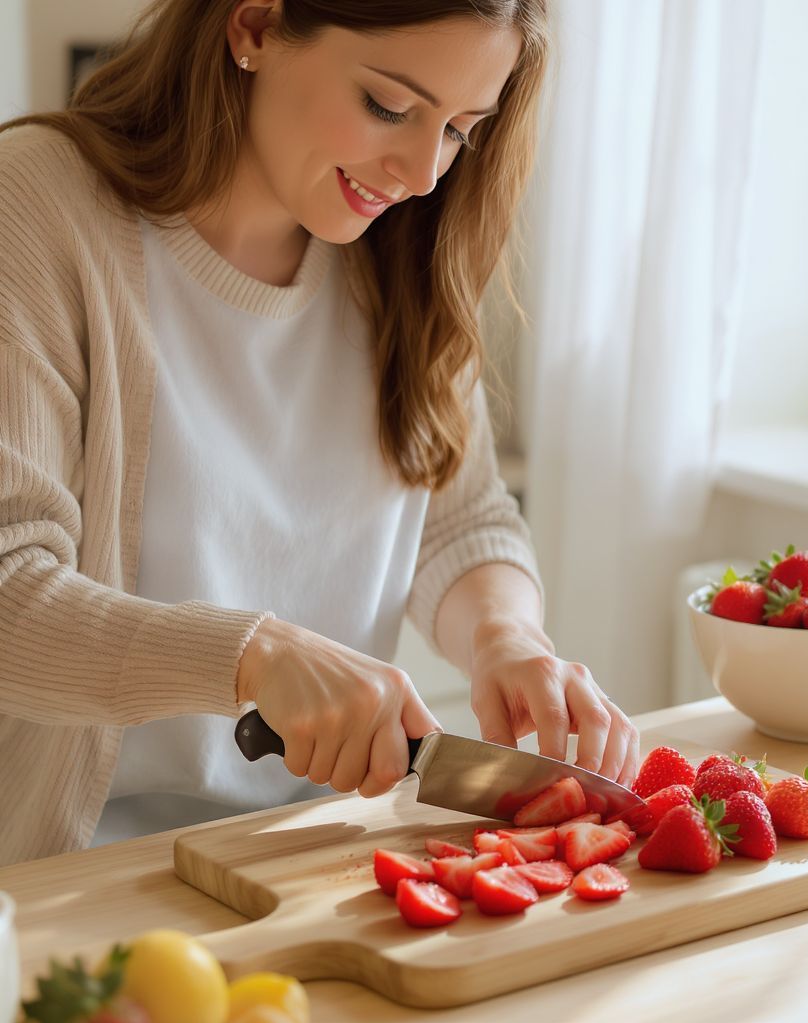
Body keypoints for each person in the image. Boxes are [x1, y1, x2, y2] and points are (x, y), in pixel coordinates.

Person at [0, 0, 639, 866]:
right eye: (389, 106)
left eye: (459, 130)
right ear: (256, 27)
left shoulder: (403, 252)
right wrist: (254, 657)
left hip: (313, 856)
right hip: (74, 876)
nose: (423, 173)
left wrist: (506, 638)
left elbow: (461, 519)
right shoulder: (34, 205)